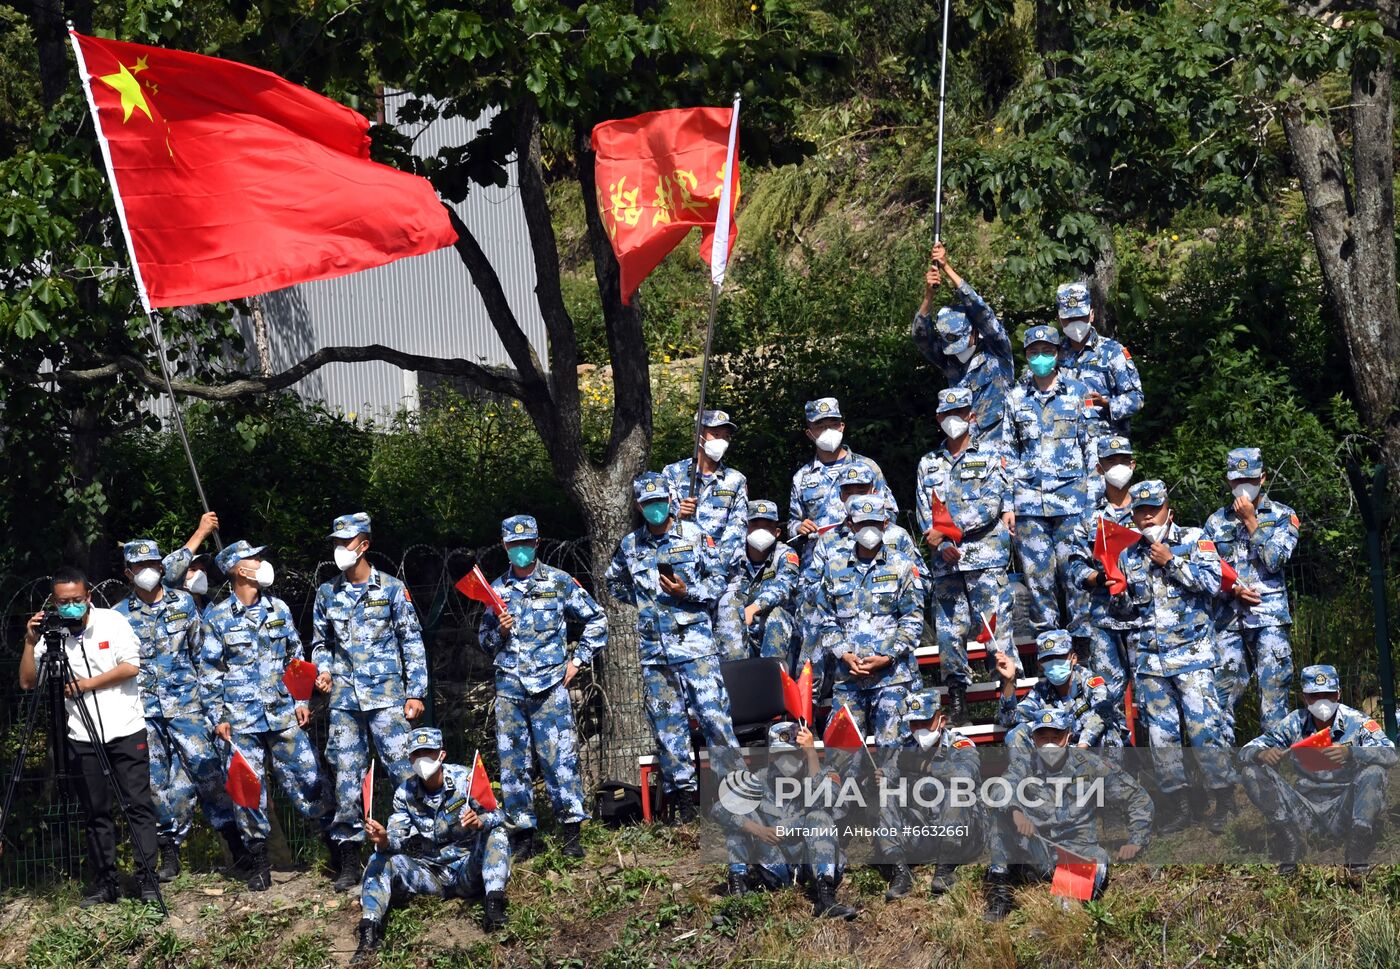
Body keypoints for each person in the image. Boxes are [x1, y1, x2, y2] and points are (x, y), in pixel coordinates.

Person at [18, 567, 162, 906]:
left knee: (138, 805)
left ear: (89, 598)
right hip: (82, 735)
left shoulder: (113, 622)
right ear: (53, 602)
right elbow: (27, 681)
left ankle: (147, 881)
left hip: (124, 728)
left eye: (77, 600)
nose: (71, 607)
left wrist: (85, 686)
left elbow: (131, 666)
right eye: (63, 602)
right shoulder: (51, 634)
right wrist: (30, 641)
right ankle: (105, 882)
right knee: (95, 812)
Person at [605, 472, 740, 823]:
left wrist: (687, 594)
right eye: (647, 503)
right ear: (639, 505)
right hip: (654, 651)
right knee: (668, 728)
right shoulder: (630, 546)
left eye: (660, 501)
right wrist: (646, 606)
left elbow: (719, 580)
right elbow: (614, 582)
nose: (655, 508)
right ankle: (684, 799)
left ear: (671, 500)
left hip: (695, 648)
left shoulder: (694, 535)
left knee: (715, 720)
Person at [201, 540, 334, 890]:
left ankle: (336, 851)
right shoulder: (216, 618)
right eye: (254, 559)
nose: (262, 562)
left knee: (309, 777)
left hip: (281, 713)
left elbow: (295, 656)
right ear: (238, 570)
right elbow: (210, 672)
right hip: (239, 719)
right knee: (248, 789)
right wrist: (217, 717)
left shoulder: (278, 609)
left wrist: (302, 699)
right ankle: (259, 861)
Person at [113, 539, 244, 882]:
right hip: (142, 712)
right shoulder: (118, 617)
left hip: (187, 706)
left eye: (154, 564)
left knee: (207, 772)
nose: (149, 572)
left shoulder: (183, 603)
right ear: (128, 573)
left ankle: (236, 843)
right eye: (140, 567)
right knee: (154, 784)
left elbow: (201, 654)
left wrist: (215, 706)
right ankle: (168, 849)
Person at [311, 513, 429, 892]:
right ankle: (348, 857)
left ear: (364, 545)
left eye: (346, 543)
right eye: (336, 543)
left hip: (387, 697)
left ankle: (417, 843)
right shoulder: (327, 593)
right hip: (345, 699)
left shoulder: (392, 589)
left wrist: (416, 692)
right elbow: (320, 642)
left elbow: (411, 640)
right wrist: (323, 669)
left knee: (404, 772)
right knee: (347, 776)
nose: (339, 550)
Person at [478, 514, 607, 860]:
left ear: (537, 543)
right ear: (505, 546)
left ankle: (570, 832)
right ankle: (523, 835)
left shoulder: (559, 582)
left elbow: (597, 619)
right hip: (510, 688)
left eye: (526, 543)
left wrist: (577, 662)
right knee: (513, 765)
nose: (520, 549)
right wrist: (500, 632)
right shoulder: (494, 591)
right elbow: (485, 640)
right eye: (513, 544)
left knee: (560, 760)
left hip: (550, 686)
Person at [1110, 481, 1234, 833]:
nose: (1147, 516)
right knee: (1162, 739)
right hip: (1151, 661)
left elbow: (1215, 584)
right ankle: (1179, 806)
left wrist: (1172, 561)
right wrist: (1117, 598)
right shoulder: (1128, 555)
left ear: (1168, 509)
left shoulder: (1194, 539)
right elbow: (1129, 611)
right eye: (1140, 510)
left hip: (1192, 656)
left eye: (1154, 508)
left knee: (1203, 731)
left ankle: (1223, 800)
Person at [353, 728, 511, 963]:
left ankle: (494, 908)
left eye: (429, 752)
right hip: (431, 874)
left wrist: (481, 822)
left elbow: (499, 815)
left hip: (468, 868)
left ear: (442, 755)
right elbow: (397, 838)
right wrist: (384, 839)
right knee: (380, 859)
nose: (423, 759)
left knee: (496, 833)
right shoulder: (404, 794)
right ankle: (369, 933)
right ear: (410, 759)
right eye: (417, 755)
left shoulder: (465, 780)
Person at [983, 708, 1152, 922]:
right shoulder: (1025, 763)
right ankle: (1000, 896)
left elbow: (1137, 796)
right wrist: (1016, 812)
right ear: (1033, 738)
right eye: (1043, 737)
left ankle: (1065, 907)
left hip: (1077, 848)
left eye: (1056, 736)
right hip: (1037, 848)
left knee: (1096, 860)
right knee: (1001, 818)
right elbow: (1000, 788)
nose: (1049, 743)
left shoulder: (1088, 764)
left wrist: (1136, 841)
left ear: (1068, 736)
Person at [917, 386, 1017, 723]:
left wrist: (948, 530)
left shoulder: (989, 457)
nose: (953, 420)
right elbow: (923, 513)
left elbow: (990, 507)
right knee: (948, 634)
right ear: (938, 419)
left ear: (971, 416)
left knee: (996, 632)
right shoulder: (928, 463)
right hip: (946, 564)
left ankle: (1007, 701)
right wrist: (942, 544)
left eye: (960, 413)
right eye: (947, 414)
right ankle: (958, 701)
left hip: (985, 560)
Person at [1238, 665, 1396, 875]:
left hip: (1345, 807)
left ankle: (1357, 847)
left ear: (1338, 694)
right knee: (1251, 772)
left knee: (1375, 771)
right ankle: (1291, 841)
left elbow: (1390, 753)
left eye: (1328, 695)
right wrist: (1260, 754)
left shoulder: (1357, 722)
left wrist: (1352, 753)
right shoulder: (1294, 722)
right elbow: (1245, 750)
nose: (1323, 701)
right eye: (1315, 696)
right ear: (1305, 697)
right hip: (1304, 810)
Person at [1001, 325, 1097, 639]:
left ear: (1056, 353)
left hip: (1072, 501)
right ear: (1026, 356)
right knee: (1038, 579)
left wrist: (1093, 501)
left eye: (1046, 351)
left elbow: (1092, 447)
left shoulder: (1077, 391)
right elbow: (1007, 452)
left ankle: (1082, 645)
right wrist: (1007, 505)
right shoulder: (1015, 398)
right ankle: (1049, 645)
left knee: (1076, 573)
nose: (1040, 357)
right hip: (1029, 503)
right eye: (1033, 352)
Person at [711, 721, 857, 919]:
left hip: (814, 861)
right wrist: (757, 829)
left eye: (795, 753)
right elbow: (720, 809)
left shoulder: (824, 773)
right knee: (740, 824)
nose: (788, 760)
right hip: (777, 864)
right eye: (780, 754)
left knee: (818, 816)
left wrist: (812, 756)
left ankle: (826, 898)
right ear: (771, 756)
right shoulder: (759, 780)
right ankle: (738, 897)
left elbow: (830, 805)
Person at [1204, 448, 1300, 745]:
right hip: (1228, 622)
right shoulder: (1216, 522)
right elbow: (1205, 572)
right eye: (1236, 480)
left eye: (1249, 478)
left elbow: (1275, 560)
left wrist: (1250, 521)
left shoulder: (1285, 516)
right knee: (1219, 702)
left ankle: (1273, 770)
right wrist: (1231, 589)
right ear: (1228, 481)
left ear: (1263, 477)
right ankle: (1225, 778)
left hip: (1268, 621)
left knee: (1274, 702)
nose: (1242, 485)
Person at [812, 495, 924, 746]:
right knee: (843, 758)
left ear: (885, 524)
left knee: (893, 760)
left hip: (891, 679)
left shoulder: (902, 566)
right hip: (848, 680)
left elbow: (913, 619)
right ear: (850, 525)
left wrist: (888, 656)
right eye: (862, 524)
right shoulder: (834, 567)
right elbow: (826, 618)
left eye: (874, 523)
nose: (868, 530)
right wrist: (844, 654)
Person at [878, 688, 983, 899]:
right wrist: (880, 777)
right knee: (886, 795)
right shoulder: (906, 747)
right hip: (923, 832)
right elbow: (890, 772)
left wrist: (923, 766)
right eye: (914, 724)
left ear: (941, 721)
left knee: (957, 792)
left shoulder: (960, 744)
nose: (919, 729)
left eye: (925, 722)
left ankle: (945, 870)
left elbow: (966, 775)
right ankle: (900, 872)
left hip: (964, 835)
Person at [1064, 435, 1140, 713]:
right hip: (1104, 621)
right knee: (1107, 700)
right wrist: (1096, 578)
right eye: (1111, 461)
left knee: (1152, 699)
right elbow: (1073, 567)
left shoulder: (1148, 510)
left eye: (1123, 460)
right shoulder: (1088, 519)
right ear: (1099, 468)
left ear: (1133, 464)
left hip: (1145, 620)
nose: (1118, 466)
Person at [911, 242, 1015, 441]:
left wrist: (947, 268)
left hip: (1000, 447)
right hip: (965, 449)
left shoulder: (997, 350)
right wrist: (929, 294)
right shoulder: (947, 359)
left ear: (975, 332)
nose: (956, 351)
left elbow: (981, 310)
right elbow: (921, 337)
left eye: (961, 342)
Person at [788, 397, 897, 563]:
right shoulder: (801, 477)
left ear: (842, 427)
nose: (828, 430)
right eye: (820, 426)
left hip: (865, 560)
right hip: (819, 564)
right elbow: (793, 523)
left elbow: (890, 512)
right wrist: (798, 528)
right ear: (809, 433)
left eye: (833, 424)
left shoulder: (867, 467)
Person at [994, 630, 1116, 750]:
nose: (1053, 663)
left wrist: (1083, 745)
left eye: (1059, 656)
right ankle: (1024, 769)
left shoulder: (1091, 683)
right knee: (1016, 733)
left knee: (1108, 730)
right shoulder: (1040, 692)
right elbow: (1008, 719)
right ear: (1040, 664)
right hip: (1059, 755)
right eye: (1048, 659)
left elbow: (1102, 712)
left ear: (1073, 659)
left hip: (1090, 750)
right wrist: (1009, 681)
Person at [1052, 282, 1143, 438]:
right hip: (1067, 444)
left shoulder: (1113, 351)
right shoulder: (1054, 354)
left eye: (1080, 316)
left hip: (1106, 445)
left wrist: (1106, 404)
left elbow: (1136, 399)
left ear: (1091, 315)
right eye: (1070, 318)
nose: (1076, 323)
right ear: (1060, 320)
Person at [661, 409, 749, 570]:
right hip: (681, 563)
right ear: (698, 437)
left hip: (721, 570)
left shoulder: (736, 480)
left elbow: (737, 530)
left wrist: (715, 569)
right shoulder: (672, 473)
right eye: (715, 434)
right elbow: (661, 523)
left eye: (726, 436)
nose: (721, 441)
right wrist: (679, 515)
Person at [715, 500, 802, 662]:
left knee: (777, 614)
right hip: (740, 628)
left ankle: (773, 679)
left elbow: (783, 586)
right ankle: (735, 680)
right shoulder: (732, 555)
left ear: (777, 532)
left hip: (774, 631)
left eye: (767, 526)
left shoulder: (786, 554)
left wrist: (754, 608)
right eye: (755, 524)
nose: (760, 530)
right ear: (745, 528)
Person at [160, 510, 222, 589]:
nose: (200, 573)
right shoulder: (170, 598)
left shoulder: (213, 601)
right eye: (193, 569)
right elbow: (171, 572)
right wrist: (201, 533)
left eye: (202, 569)